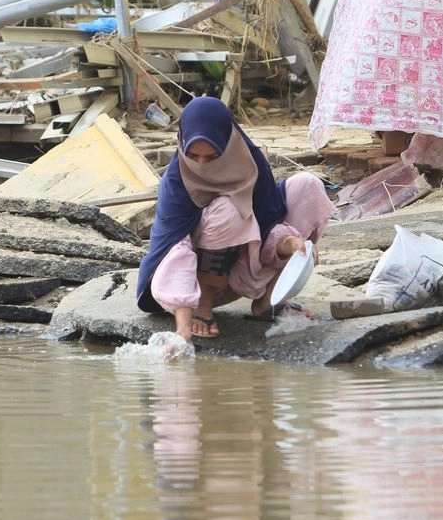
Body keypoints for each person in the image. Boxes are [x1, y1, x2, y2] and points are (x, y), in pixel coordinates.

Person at [136, 97, 336, 343]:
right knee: (229, 209)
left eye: (211, 157)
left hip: (245, 267)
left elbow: (268, 222)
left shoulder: (249, 161)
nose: (200, 165)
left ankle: (268, 301)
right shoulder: (177, 183)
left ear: (227, 144)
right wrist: (183, 325)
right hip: (190, 288)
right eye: (193, 156)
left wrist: (292, 243)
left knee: (308, 185)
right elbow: (174, 248)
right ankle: (205, 307)